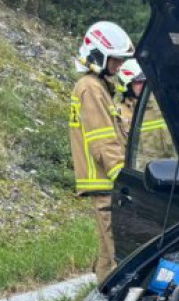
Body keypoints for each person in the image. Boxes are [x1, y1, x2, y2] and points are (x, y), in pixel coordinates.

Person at [69, 21, 133, 283]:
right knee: (121, 252)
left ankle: (101, 298)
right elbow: (102, 141)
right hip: (107, 183)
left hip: (105, 183)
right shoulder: (90, 88)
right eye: (115, 61)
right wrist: (125, 181)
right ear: (98, 55)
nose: (119, 67)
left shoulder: (97, 87)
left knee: (107, 254)